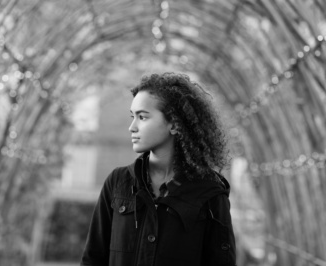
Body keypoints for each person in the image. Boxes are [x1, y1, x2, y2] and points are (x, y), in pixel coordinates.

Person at [81, 73, 236, 266]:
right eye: (133, 116)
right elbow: (93, 259)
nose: (132, 127)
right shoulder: (118, 182)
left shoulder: (210, 192)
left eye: (142, 117)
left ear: (174, 124)